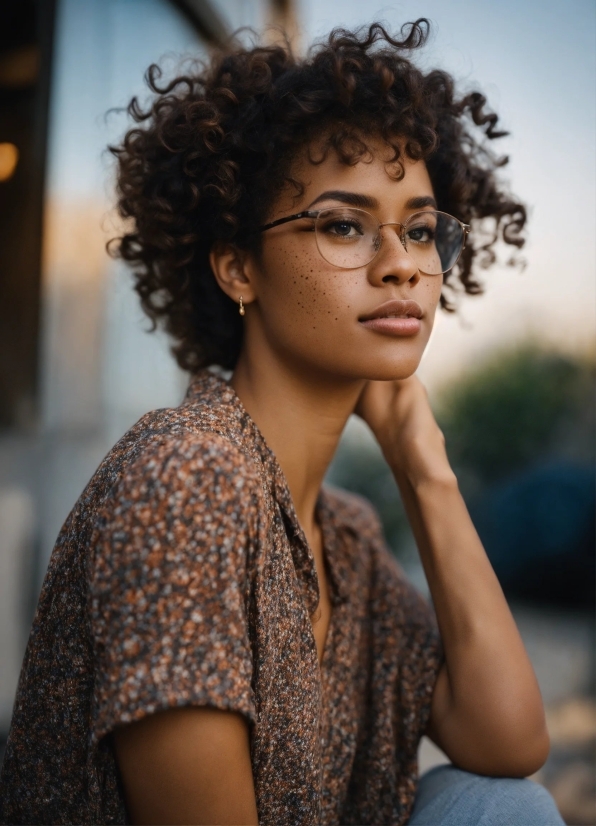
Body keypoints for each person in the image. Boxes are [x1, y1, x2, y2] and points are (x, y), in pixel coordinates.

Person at [0, 21, 565, 826]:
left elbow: (509, 742)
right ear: (237, 267)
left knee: (498, 805)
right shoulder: (183, 477)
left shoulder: (347, 538)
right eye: (343, 224)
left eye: (418, 228)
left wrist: (424, 466)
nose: (401, 261)